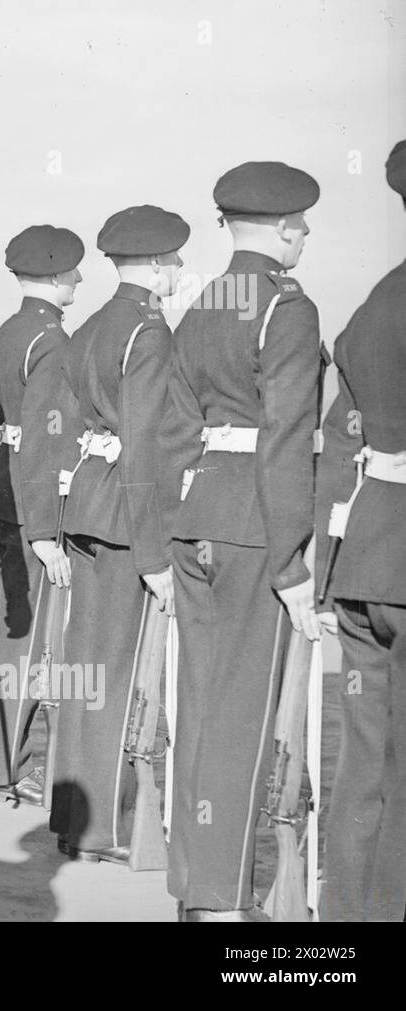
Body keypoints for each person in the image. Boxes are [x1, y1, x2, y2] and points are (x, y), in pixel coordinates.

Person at [163, 161, 323, 921]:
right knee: (242, 714)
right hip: (256, 525)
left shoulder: (205, 301)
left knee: (200, 703)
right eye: (301, 225)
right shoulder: (287, 305)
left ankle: (195, 882)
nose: (305, 235)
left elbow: (171, 426)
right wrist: (292, 560)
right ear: (287, 227)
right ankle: (223, 901)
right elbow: (287, 438)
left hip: (198, 515)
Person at [21, 206, 186, 861]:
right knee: (118, 677)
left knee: (85, 669)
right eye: (172, 260)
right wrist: (154, 553)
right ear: (150, 264)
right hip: (125, 515)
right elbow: (143, 444)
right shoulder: (149, 331)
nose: (177, 269)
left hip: (87, 503)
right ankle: (103, 830)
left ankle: (71, 817)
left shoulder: (90, 325)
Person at [314, 140, 406, 922]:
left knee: (365, 762)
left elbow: (340, 450)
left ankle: (349, 919)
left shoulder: (372, 306)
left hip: (366, 563)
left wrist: (325, 575)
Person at [0, 225, 82, 803]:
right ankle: (20, 766)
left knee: (9, 632)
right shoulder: (52, 340)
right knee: (38, 639)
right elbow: (46, 437)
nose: (79, 282)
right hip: (36, 496)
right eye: (74, 273)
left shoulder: (6, 333)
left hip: (2, 485)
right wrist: (45, 529)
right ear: (59, 275)